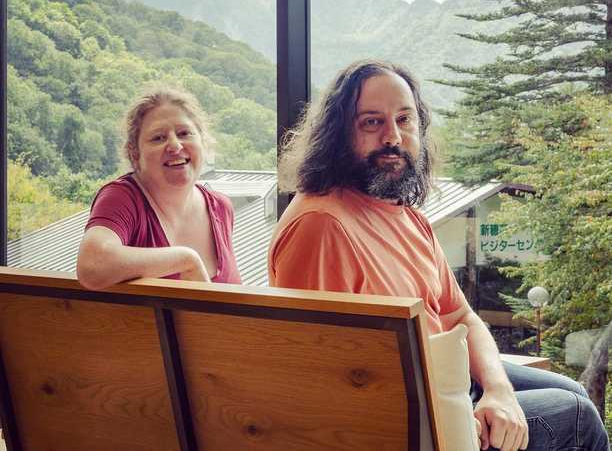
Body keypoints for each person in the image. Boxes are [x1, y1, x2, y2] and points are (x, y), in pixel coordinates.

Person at [268, 60, 608, 451]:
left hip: (444, 378)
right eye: (372, 123)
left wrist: (498, 392)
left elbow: (461, 316)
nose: (393, 137)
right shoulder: (321, 225)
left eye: (404, 120)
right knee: (575, 415)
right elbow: (327, 380)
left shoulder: (405, 216)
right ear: (338, 134)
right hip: (408, 419)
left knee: (571, 391)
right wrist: (460, 413)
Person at [77, 87, 241, 290]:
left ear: (203, 141)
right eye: (158, 138)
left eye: (184, 133)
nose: (175, 145)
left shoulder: (221, 207)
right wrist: (186, 259)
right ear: (134, 153)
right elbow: (92, 266)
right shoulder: (122, 197)